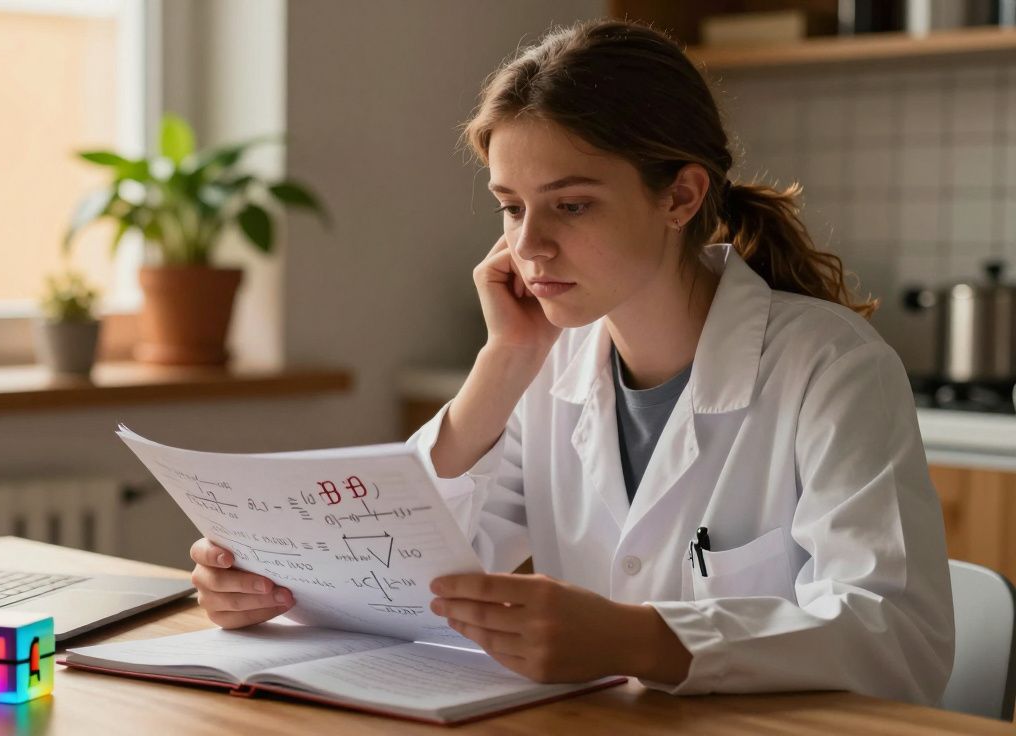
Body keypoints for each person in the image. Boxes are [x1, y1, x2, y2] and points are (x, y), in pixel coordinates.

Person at [186, 18, 954, 704]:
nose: (528, 246)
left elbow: (896, 638)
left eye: (571, 204)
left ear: (681, 196)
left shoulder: (831, 369)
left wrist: (639, 639)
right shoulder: (549, 365)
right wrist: (274, 582)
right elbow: (411, 570)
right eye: (512, 207)